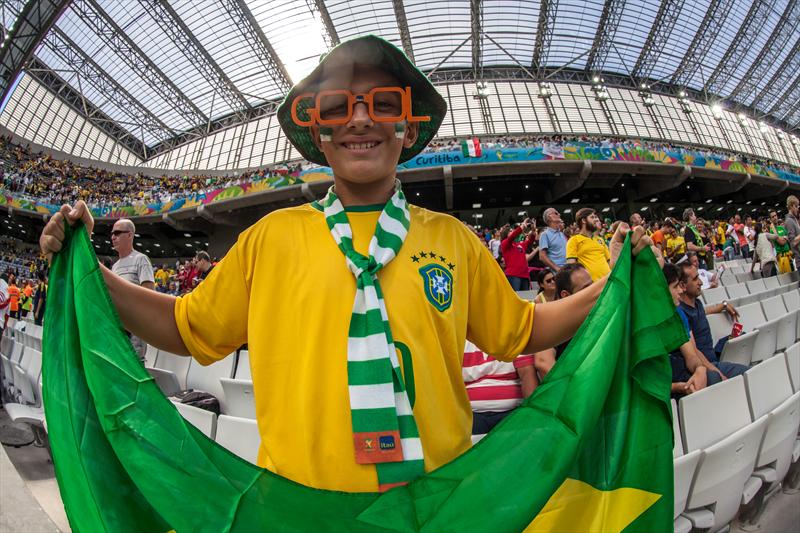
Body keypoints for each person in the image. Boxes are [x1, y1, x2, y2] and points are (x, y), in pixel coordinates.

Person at [39, 35, 652, 494]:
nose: (361, 118)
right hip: (300, 507)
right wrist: (89, 272)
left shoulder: (454, 240)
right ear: (319, 135)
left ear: (407, 129)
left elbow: (521, 331)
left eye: (382, 102)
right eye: (338, 107)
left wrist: (613, 282)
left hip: (435, 503)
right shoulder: (270, 238)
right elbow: (186, 328)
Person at [678, 263, 747, 380]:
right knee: (748, 373)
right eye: (695, 279)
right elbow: (694, 352)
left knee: (742, 336)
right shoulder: (682, 313)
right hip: (707, 365)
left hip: (714, 357)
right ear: (683, 285)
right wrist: (717, 372)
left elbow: (704, 312)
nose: (700, 282)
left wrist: (723, 305)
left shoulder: (697, 303)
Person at [463, 341, 537, 438]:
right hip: (471, 415)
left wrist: (531, 412)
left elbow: (527, 374)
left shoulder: (513, 339)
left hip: (512, 412)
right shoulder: (460, 340)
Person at [532, 263, 594, 378]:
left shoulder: (600, 313)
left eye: (593, 285)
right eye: (586, 289)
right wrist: (572, 388)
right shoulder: (553, 322)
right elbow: (543, 362)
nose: (594, 292)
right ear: (565, 295)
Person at [110, 218, 155, 362]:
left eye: (117, 233)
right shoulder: (115, 266)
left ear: (129, 235)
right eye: (112, 234)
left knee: (135, 369)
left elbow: (149, 295)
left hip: (135, 331)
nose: (113, 237)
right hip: (118, 329)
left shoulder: (141, 260)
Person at [662, 263, 707, 398]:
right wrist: (677, 387)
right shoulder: (641, 327)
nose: (681, 291)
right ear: (661, 290)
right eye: (676, 286)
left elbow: (691, 355)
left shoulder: (677, 315)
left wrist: (700, 369)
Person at [566, 207, 610, 281]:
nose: (596, 220)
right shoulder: (573, 240)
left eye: (596, 217)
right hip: (591, 287)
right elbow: (572, 267)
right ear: (583, 220)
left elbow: (609, 261)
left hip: (609, 283)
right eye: (592, 217)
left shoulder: (600, 240)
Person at [500, 219, 536, 291]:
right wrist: (522, 226)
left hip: (525, 275)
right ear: (505, 233)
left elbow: (530, 240)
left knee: (525, 299)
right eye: (510, 231)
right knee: (516, 299)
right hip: (513, 275)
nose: (513, 231)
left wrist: (533, 230)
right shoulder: (504, 243)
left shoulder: (519, 245)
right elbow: (512, 236)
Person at [538, 208, 567, 272]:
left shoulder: (561, 233)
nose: (559, 214)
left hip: (567, 269)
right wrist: (557, 268)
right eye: (556, 213)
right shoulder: (544, 234)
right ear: (549, 217)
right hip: (557, 272)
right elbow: (542, 256)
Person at [785, 196, 800, 271]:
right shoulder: (789, 221)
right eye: (796, 206)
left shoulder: (794, 220)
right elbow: (793, 242)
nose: (798, 208)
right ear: (791, 206)